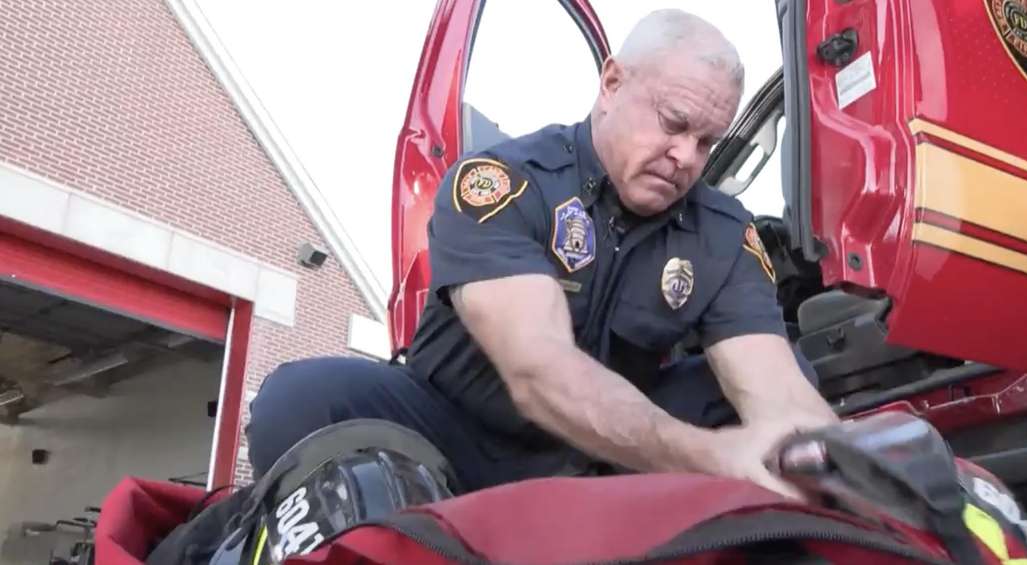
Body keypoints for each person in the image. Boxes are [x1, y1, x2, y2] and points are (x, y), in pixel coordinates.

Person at [246, 8, 840, 501]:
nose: (686, 155)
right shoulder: (503, 182)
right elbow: (539, 370)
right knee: (300, 400)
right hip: (454, 435)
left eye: (707, 141)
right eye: (673, 123)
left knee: (792, 406)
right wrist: (714, 456)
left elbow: (778, 390)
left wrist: (847, 464)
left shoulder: (722, 233)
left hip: (603, 462)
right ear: (612, 84)